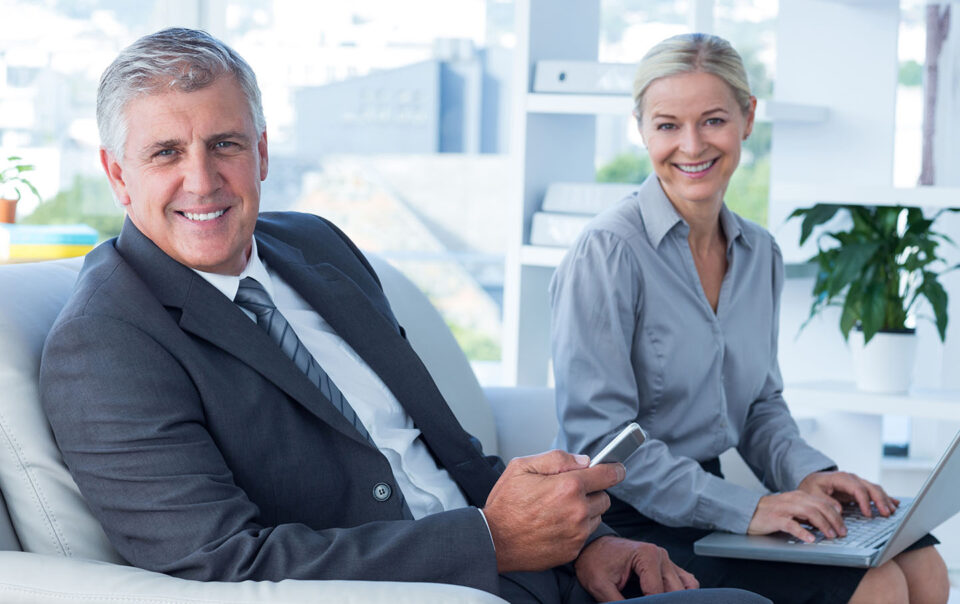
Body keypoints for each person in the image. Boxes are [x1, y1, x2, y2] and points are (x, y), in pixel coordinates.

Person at [38, 28, 769, 604]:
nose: (203, 180)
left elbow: (449, 452)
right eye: (166, 152)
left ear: (261, 152)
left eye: (224, 144)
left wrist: (588, 544)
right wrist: (489, 542)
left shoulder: (314, 245)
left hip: (536, 579)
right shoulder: (105, 343)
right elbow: (222, 563)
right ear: (116, 176)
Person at [550, 33, 949, 604]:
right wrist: (750, 507)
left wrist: (811, 475)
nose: (691, 145)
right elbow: (604, 443)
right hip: (625, 527)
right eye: (667, 125)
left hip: (713, 509)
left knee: (925, 563)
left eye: (712, 120)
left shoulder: (760, 252)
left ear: (747, 118)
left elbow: (760, 405)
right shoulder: (607, 252)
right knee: (878, 585)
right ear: (642, 129)